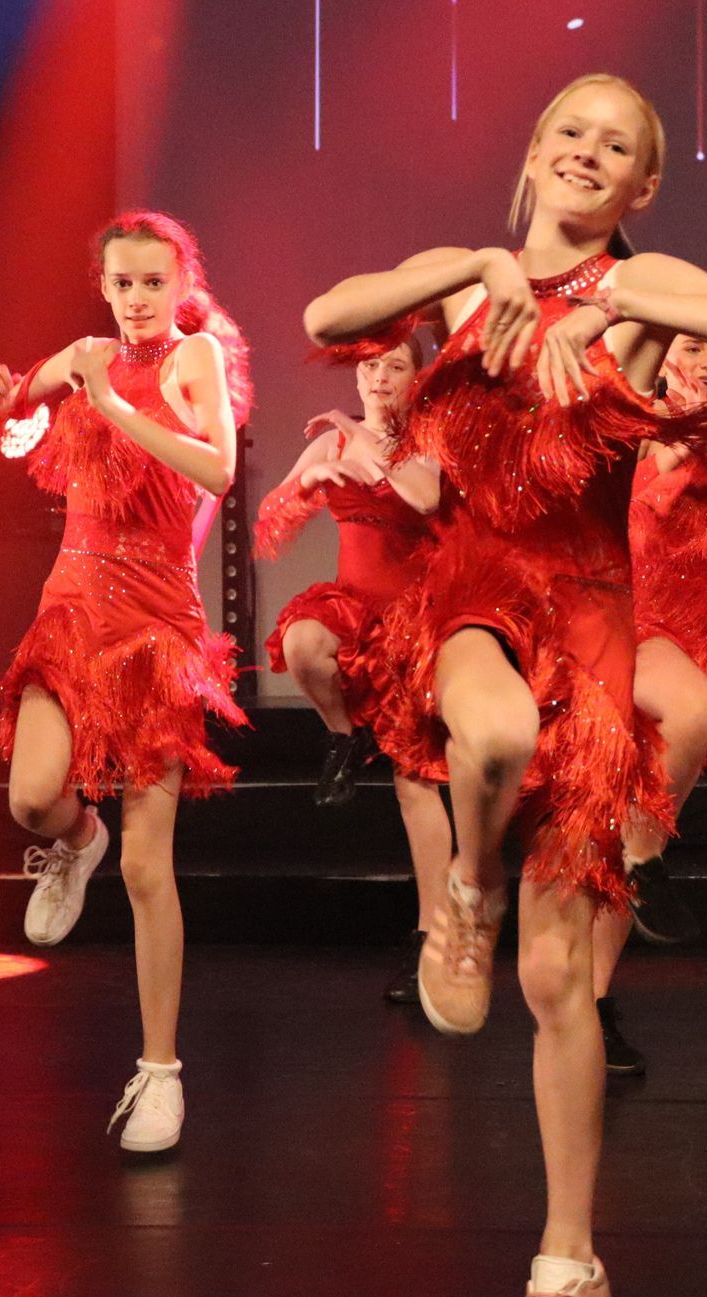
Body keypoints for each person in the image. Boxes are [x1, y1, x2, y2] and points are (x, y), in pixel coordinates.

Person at [305, 73, 707, 1297]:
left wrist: (611, 301)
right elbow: (328, 314)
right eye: (571, 132)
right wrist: (480, 270)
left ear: (643, 184)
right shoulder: (466, 277)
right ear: (533, 151)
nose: (589, 151)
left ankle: (569, 1248)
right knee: (488, 738)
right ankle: (466, 888)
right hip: (473, 585)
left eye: (617, 145)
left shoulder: (641, 284)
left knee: (555, 977)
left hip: (589, 617)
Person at [0, 209, 249, 1155]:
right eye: (123, 283)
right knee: (32, 798)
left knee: (150, 867)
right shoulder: (82, 355)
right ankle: (77, 839)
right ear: (105, 286)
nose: (138, 298)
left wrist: (112, 404)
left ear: (182, 283)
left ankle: (159, 1071)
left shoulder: (192, 358)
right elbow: (3, 428)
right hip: (72, 603)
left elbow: (217, 467)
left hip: (157, 622)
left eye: (154, 281)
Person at [588, 333, 707, 1074]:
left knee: (621, 829)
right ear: (663, 355)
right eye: (693, 347)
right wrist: (668, 435)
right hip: (623, 630)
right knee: (692, 723)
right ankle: (641, 865)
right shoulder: (633, 415)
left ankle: (592, 1007)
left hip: (693, 646)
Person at [256, 328, 450, 1003]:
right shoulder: (331, 444)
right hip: (353, 610)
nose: (379, 379)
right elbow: (270, 525)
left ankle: (433, 941)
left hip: (418, 624)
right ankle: (344, 735)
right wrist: (308, 481)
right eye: (369, 368)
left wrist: (359, 436)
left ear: (416, 377)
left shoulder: (429, 441)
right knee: (303, 643)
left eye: (394, 367)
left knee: (415, 783)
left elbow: (424, 497)